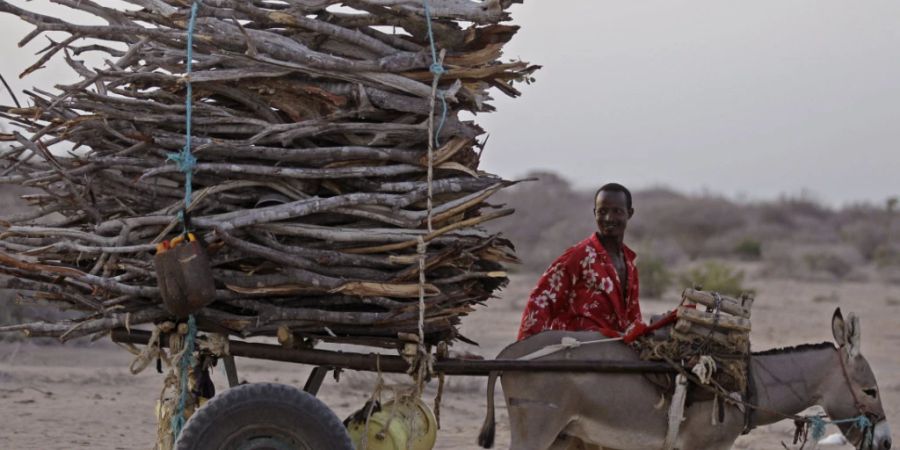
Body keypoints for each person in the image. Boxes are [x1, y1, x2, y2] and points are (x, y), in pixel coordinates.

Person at [517, 182, 644, 341]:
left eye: (617, 211)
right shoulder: (579, 255)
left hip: (613, 354)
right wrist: (527, 349)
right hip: (575, 352)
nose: (609, 218)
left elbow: (633, 317)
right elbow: (540, 299)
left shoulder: (630, 262)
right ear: (594, 213)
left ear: (629, 213)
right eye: (602, 211)